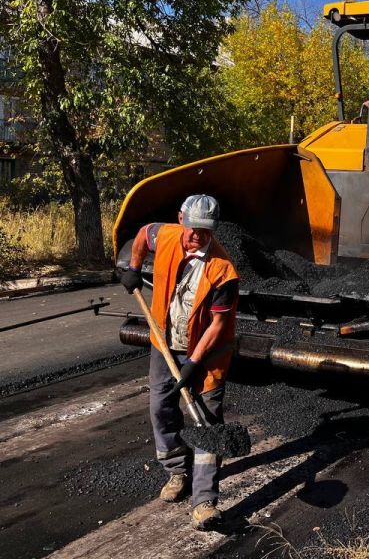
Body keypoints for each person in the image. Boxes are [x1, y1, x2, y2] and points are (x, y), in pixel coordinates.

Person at [119, 194, 239, 531]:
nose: (198, 236)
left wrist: (193, 363)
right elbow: (143, 234)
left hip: (208, 352)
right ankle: (176, 470)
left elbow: (217, 325)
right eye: (193, 228)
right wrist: (133, 268)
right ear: (181, 219)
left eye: (206, 231)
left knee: (205, 421)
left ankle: (204, 502)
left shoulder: (223, 271)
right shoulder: (167, 234)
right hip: (164, 341)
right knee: (161, 407)